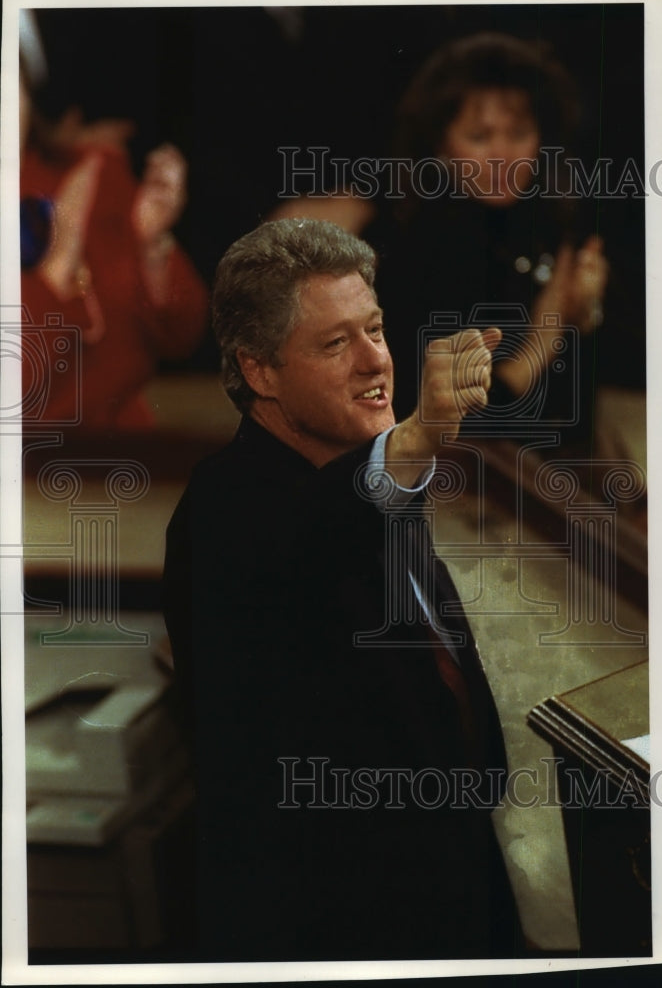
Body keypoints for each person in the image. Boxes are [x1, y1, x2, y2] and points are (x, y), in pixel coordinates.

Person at [162, 218, 522, 961]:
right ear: (259, 371)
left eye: (376, 329)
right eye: (334, 344)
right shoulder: (226, 507)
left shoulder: (369, 470)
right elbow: (315, 535)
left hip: (454, 887)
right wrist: (418, 438)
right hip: (335, 929)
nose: (374, 363)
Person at [270, 34, 610, 437]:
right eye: (480, 137)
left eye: (518, 133)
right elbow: (460, 424)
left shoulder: (552, 222)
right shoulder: (415, 244)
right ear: (440, 145)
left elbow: (581, 405)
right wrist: (550, 332)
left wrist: (584, 313)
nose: (502, 153)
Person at [19, 59, 208, 429]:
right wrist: (56, 269)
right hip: (28, 465)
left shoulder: (91, 171)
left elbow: (183, 336)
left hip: (126, 452)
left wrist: (151, 247)